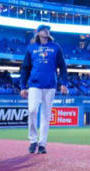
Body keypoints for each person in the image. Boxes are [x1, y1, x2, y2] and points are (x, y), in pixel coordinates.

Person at [20, 25, 68, 154]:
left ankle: (42, 144)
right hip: (34, 85)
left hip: (50, 85)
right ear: (37, 32)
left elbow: (63, 67)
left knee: (46, 116)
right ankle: (32, 140)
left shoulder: (56, 47)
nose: (46, 31)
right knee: (32, 110)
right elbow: (25, 68)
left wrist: (64, 83)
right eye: (43, 29)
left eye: (47, 29)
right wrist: (22, 87)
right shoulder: (31, 48)